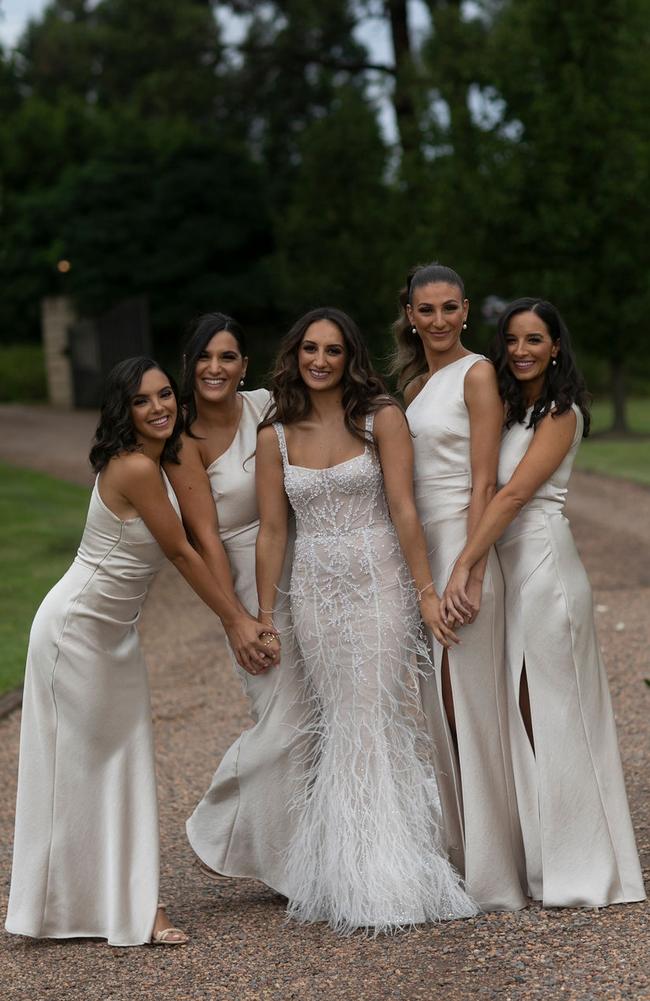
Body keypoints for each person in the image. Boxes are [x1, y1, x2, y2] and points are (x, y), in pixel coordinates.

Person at [5, 357, 276, 948]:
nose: (160, 407)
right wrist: (235, 620)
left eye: (165, 396)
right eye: (143, 400)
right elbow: (181, 553)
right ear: (123, 411)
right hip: (76, 631)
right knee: (84, 767)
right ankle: (126, 909)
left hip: (115, 634)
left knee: (120, 763)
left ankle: (107, 904)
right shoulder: (134, 467)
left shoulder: (160, 460)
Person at [255, 306, 476, 934]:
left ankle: (389, 870)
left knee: (373, 712)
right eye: (309, 350)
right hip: (317, 589)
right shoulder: (275, 434)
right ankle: (344, 867)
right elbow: (273, 530)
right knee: (340, 717)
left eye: (332, 351)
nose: (319, 361)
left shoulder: (381, 418)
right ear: (294, 355)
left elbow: (405, 510)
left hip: (379, 581)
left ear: (351, 357)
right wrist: (266, 614)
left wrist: (427, 593)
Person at [443, 298, 646, 908]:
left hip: (546, 570)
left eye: (536, 339)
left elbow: (509, 500)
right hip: (510, 568)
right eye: (513, 340)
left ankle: (589, 868)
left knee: (555, 711)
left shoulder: (562, 413)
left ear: (556, 346)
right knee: (526, 711)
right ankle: (544, 857)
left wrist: (463, 563)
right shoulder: (508, 412)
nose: (523, 350)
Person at [394, 262, 526, 911]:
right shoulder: (416, 383)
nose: (440, 319)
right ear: (410, 314)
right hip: (431, 551)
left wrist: (467, 570)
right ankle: (466, 852)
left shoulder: (477, 374)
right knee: (442, 709)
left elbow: (485, 481)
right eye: (428, 309)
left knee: (468, 704)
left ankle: (498, 870)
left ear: (466, 309)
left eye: (450, 307)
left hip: (465, 545)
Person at [165, 312, 305, 896]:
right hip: (243, 578)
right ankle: (217, 825)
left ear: (245, 365)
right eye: (204, 357)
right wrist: (237, 621)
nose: (215, 368)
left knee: (320, 716)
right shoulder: (182, 441)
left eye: (227, 357)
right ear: (190, 366)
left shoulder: (267, 406)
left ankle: (298, 858)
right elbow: (205, 539)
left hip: (304, 561)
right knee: (284, 715)